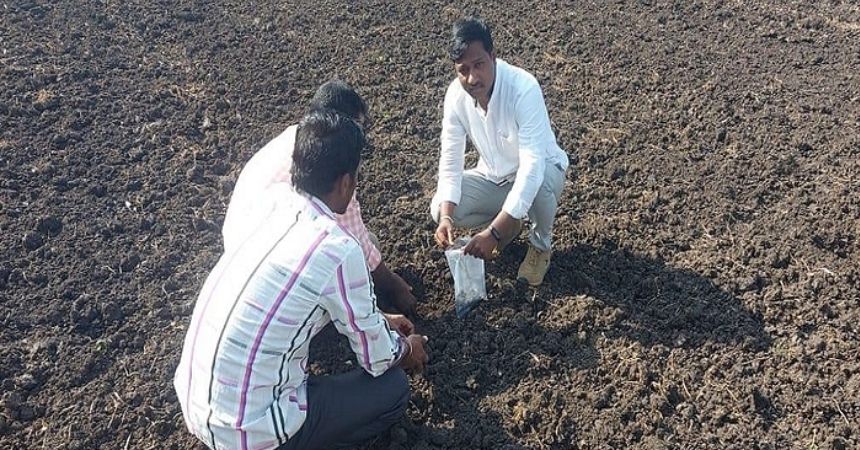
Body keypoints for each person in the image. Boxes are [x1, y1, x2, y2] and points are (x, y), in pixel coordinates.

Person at [175, 110, 429, 450]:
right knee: (393, 389)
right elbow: (379, 358)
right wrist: (407, 350)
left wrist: (379, 319)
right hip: (250, 434)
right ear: (345, 183)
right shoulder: (338, 249)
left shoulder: (273, 205)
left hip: (197, 407)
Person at [224, 80, 416, 314]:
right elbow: (353, 231)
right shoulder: (333, 161)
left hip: (236, 270)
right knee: (353, 257)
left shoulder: (297, 140)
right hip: (271, 281)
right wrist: (391, 284)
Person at [430, 17, 570, 286]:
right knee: (439, 206)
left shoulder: (523, 88)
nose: (472, 78)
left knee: (538, 178)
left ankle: (540, 245)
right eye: (463, 70)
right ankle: (511, 224)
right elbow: (450, 160)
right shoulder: (455, 97)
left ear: (493, 56)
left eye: (479, 65)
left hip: (542, 173)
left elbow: (531, 167)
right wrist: (447, 218)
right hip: (495, 177)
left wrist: (493, 234)